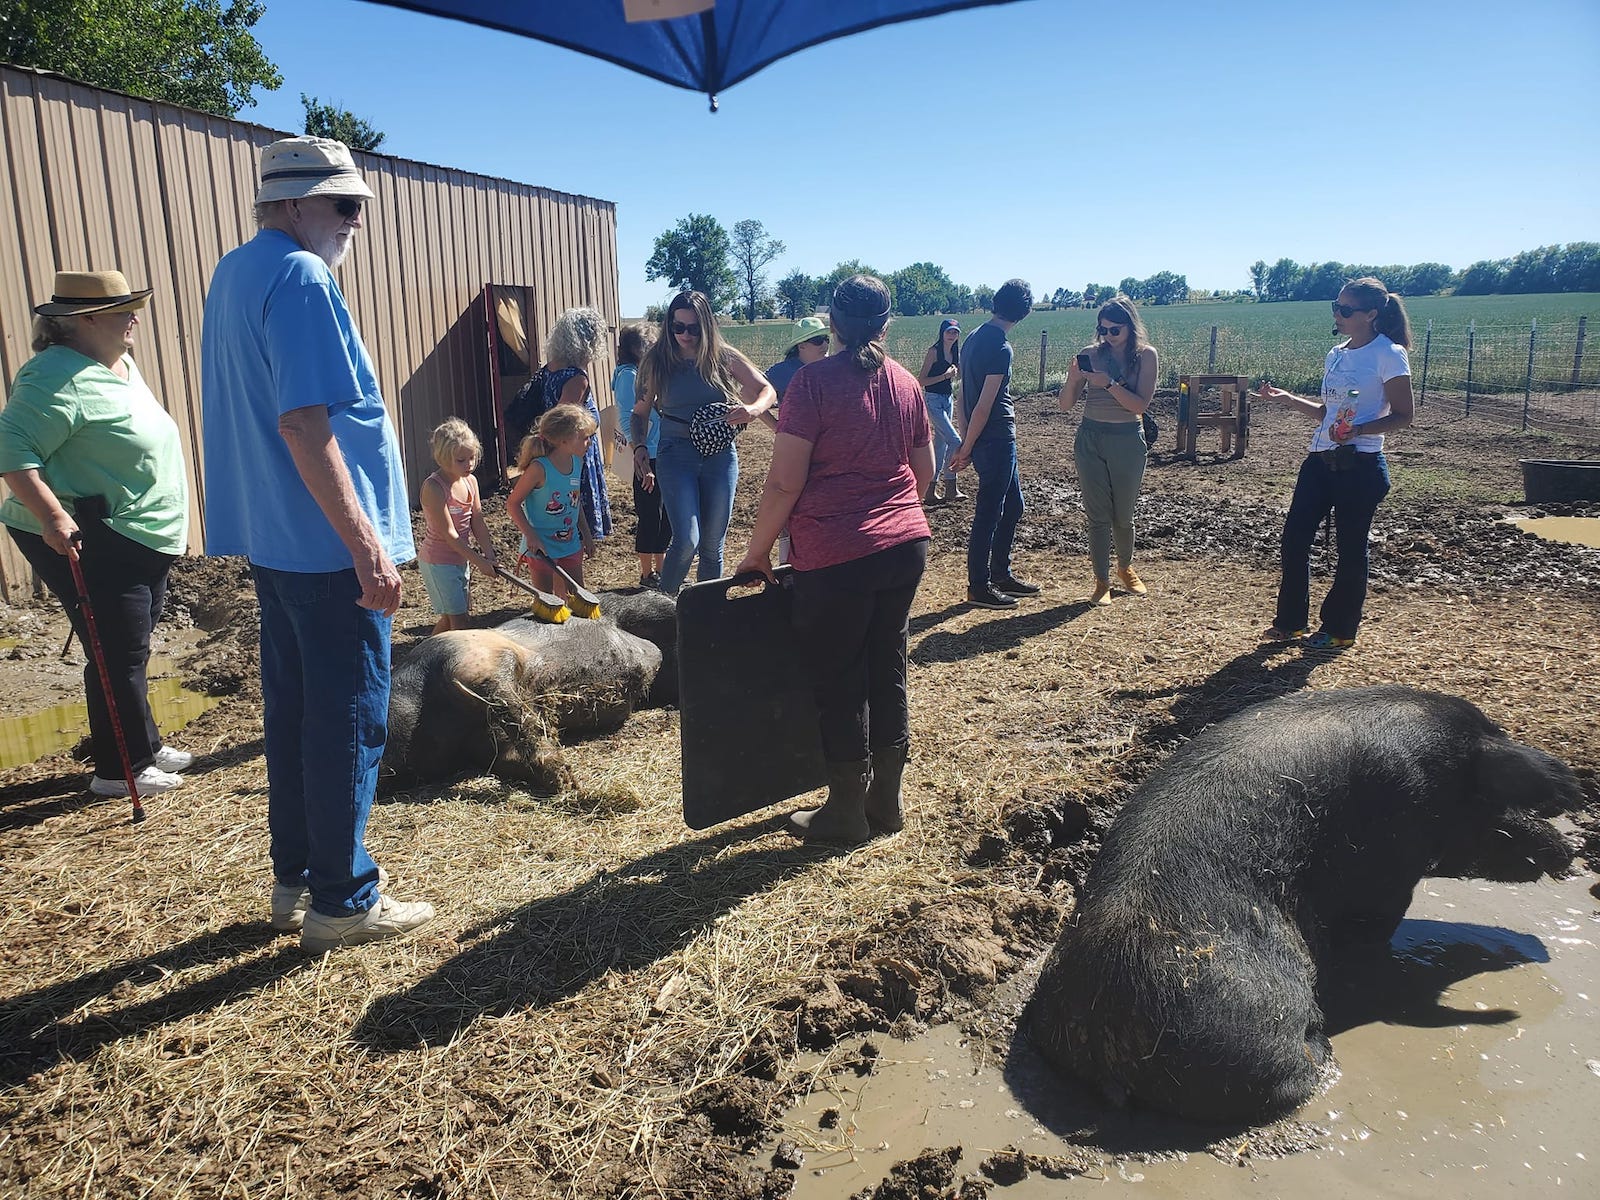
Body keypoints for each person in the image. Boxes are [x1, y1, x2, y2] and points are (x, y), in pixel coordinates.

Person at [201, 135, 433, 952]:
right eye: (344, 204)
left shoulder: (238, 271)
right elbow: (304, 422)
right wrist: (368, 546)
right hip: (324, 549)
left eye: (359, 205)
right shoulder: (301, 276)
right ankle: (344, 900)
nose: (355, 221)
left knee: (298, 716)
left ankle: (296, 881)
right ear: (295, 201)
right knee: (348, 721)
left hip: (276, 540)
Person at [735, 274, 934, 845]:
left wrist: (756, 552)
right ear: (886, 324)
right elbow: (924, 472)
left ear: (831, 323)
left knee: (840, 678)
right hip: (904, 547)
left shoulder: (812, 385)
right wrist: (890, 518)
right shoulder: (905, 383)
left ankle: (845, 811)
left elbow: (783, 483)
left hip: (835, 553)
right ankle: (886, 802)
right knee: (888, 666)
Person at [0, 270, 192, 798]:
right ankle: (118, 768)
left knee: (129, 644)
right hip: (91, 533)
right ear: (83, 321)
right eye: (123, 309)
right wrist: (52, 517)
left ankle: (144, 745)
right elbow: (12, 452)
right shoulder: (52, 375)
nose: (134, 317)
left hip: (139, 533)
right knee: (116, 650)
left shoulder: (118, 364)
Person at [1259, 277, 1415, 651]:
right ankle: (1291, 622)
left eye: (1346, 310)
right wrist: (1289, 399)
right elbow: (1329, 413)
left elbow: (1404, 415)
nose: (1338, 314)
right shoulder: (1337, 354)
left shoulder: (1388, 354)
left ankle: (1340, 628)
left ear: (1371, 314)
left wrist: (1359, 429)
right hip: (1320, 459)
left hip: (1360, 464)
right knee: (1294, 539)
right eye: (1336, 306)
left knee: (1350, 547)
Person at [632, 290, 775, 593]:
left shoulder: (722, 357)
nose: (685, 334)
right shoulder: (657, 361)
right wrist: (640, 447)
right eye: (678, 327)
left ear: (707, 326)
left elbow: (766, 390)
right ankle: (663, 608)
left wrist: (752, 409)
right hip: (675, 453)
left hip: (719, 455)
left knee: (712, 545)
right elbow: (640, 412)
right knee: (687, 540)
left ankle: (707, 616)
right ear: (669, 325)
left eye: (693, 328)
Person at [1058, 295, 1158, 605]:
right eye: (1103, 330)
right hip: (1091, 438)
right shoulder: (1090, 354)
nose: (1108, 337)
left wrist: (1110, 383)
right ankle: (1101, 581)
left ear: (1130, 327)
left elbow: (1139, 405)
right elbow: (1065, 404)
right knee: (1097, 514)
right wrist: (1074, 379)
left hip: (1127, 439)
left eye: (1115, 330)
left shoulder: (1146, 356)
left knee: (1123, 514)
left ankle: (1125, 568)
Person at [950, 279, 1038, 610]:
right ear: (1025, 312)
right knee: (989, 511)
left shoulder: (972, 338)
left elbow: (962, 396)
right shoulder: (1001, 347)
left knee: (1013, 506)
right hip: (997, 437)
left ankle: (1000, 573)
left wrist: (964, 438)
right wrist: (968, 445)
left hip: (984, 437)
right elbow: (985, 404)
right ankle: (979, 585)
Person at [528, 306, 614, 552]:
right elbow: (564, 419)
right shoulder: (577, 377)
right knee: (571, 513)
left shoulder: (550, 369)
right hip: (572, 452)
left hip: (560, 448)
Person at [508, 404, 599, 598]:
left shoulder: (577, 462)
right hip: (541, 546)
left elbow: (575, 501)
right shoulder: (539, 468)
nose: (590, 442)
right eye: (584, 438)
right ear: (564, 440)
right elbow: (513, 503)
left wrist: (586, 534)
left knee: (577, 595)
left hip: (570, 542)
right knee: (546, 600)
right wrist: (530, 535)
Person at [418, 418, 498, 633]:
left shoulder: (470, 481)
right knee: (459, 624)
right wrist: (480, 561)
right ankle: (435, 663)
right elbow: (450, 535)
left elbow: (477, 520)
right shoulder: (434, 487)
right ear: (443, 458)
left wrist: (489, 554)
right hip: (439, 562)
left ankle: (425, 661)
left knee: (451, 619)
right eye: (461, 460)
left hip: (460, 559)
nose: (469, 465)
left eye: (472, 458)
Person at [612, 323, 670, 588]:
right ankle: (647, 575)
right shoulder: (628, 376)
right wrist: (640, 454)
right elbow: (627, 417)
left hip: (663, 453)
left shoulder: (646, 374)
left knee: (666, 514)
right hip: (647, 455)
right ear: (638, 348)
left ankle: (662, 570)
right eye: (651, 345)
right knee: (650, 515)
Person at [916, 319, 966, 505]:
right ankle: (951, 484)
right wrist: (945, 376)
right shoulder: (934, 352)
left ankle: (931, 491)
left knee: (941, 445)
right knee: (955, 440)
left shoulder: (955, 352)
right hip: (933, 400)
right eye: (949, 332)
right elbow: (921, 381)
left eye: (955, 332)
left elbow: (959, 375)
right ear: (942, 332)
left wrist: (955, 372)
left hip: (947, 399)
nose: (952, 335)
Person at [763, 315, 831, 406]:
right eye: (818, 340)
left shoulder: (833, 368)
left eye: (826, 339)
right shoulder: (781, 372)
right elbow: (748, 392)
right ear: (801, 346)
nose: (824, 344)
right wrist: (771, 421)